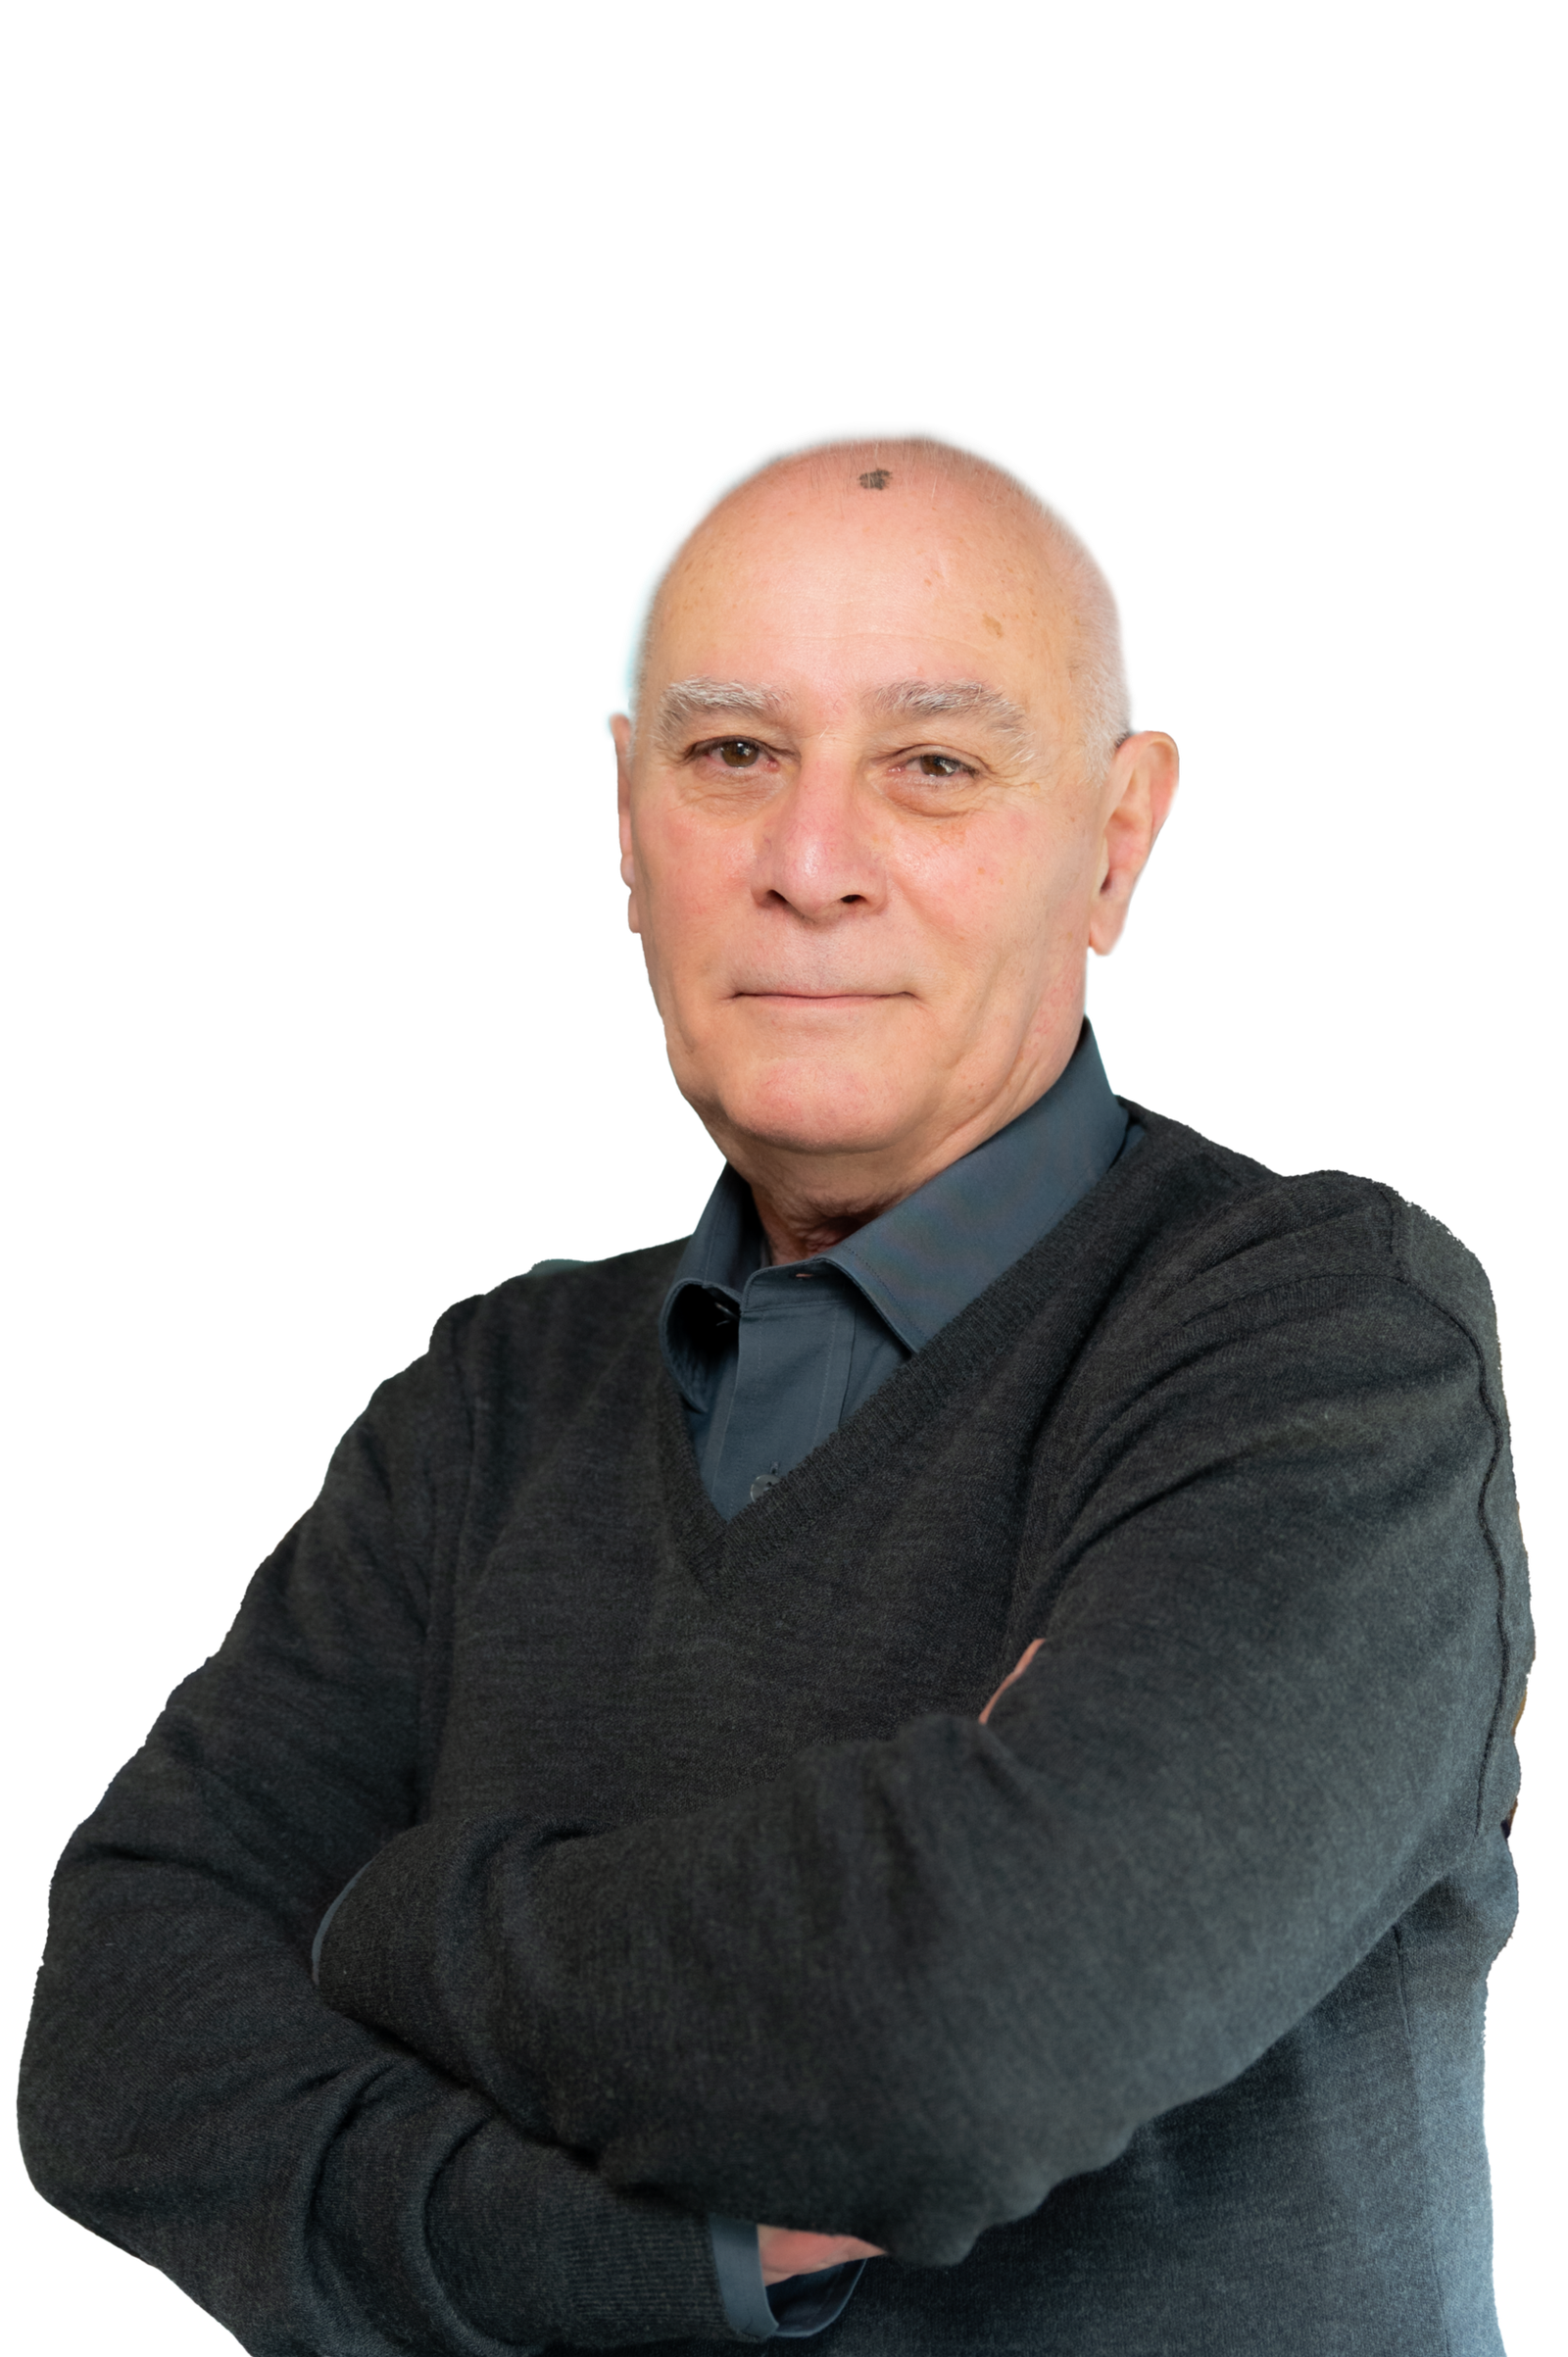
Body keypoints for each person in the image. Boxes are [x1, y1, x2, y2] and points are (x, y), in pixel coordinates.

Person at [19, 423, 1532, 2353]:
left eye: (933, 763)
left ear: (1115, 841)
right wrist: (644, 2256)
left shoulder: (1322, 1348)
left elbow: (963, 2031)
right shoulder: (489, 1395)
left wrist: (383, 1921)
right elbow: (111, 2045)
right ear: (625, 822)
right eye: (732, 754)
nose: (810, 866)